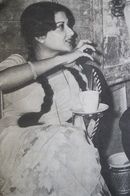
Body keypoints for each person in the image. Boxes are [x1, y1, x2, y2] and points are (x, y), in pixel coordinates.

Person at [0, 2, 112, 195]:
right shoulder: (18, 63)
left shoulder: (75, 71)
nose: (71, 32)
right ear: (39, 35)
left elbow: (79, 119)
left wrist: (88, 122)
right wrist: (63, 58)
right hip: (22, 156)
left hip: (64, 155)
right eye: (61, 26)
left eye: (69, 25)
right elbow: (2, 80)